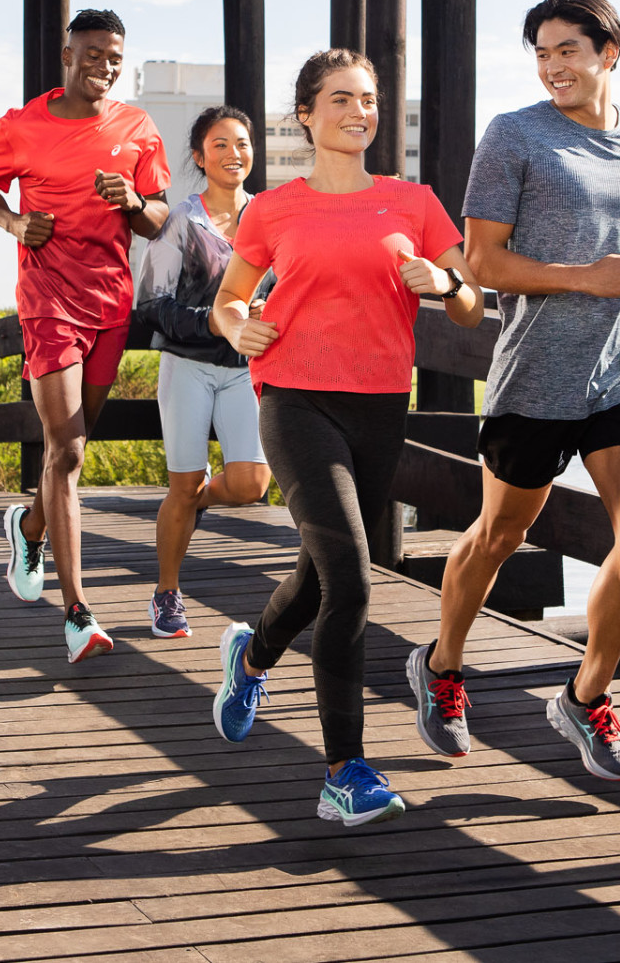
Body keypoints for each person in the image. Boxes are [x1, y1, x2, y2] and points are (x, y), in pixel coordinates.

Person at [208, 48, 484, 826]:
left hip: (378, 407)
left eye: (368, 100)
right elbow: (227, 302)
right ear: (305, 115)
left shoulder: (414, 203)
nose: (359, 112)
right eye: (340, 100)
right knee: (353, 579)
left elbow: (470, 304)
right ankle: (345, 773)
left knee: (320, 574)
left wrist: (449, 283)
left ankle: (252, 655)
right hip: (295, 399)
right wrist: (241, 329)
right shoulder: (273, 209)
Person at [408, 0, 620, 780]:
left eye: (569, 50)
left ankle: (586, 698)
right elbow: (480, 264)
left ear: (608, 53)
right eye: (543, 52)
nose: (554, 65)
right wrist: (584, 280)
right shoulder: (514, 135)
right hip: (534, 375)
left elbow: (613, 242)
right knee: (500, 536)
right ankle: (442, 666)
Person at [0, 8, 170, 664]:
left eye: (114, 56)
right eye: (92, 53)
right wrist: (13, 224)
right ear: (67, 54)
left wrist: (133, 204)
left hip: (111, 303)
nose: (104, 66)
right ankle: (78, 613)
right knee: (70, 450)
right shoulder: (22, 125)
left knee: (69, 454)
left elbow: (157, 220)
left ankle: (28, 526)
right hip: (46, 300)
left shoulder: (137, 127)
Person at [135, 105, 272, 639]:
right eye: (219, 144)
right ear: (199, 156)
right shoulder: (178, 222)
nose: (233, 154)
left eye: (241, 143)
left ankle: (199, 501)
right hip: (188, 366)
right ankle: (167, 593)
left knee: (251, 483)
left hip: (246, 367)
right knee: (182, 483)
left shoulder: (269, 218)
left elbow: (290, 287)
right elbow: (152, 303)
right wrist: (216, 322)